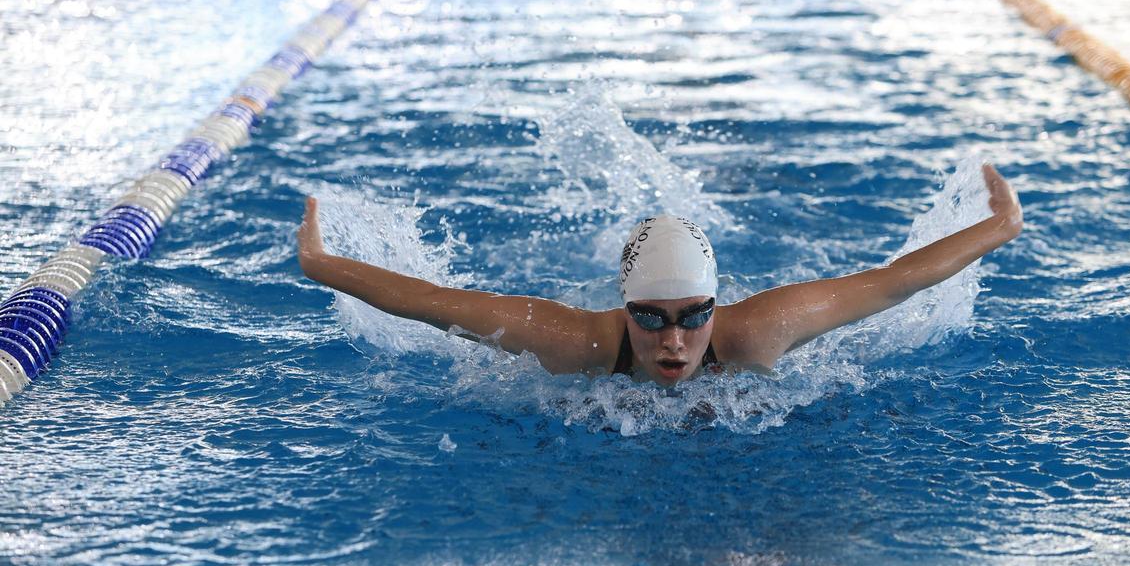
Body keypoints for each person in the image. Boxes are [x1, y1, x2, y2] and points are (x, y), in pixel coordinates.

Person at [297, 163, 1022, 386]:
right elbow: (431, 302)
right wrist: (322, 265)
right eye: (651, 318)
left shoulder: (763, 328)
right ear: (624, 311)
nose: (674, 340)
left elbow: (895, 281)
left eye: (692, 315)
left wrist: (1001, 225)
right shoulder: (575, 343)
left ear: (717, 303)